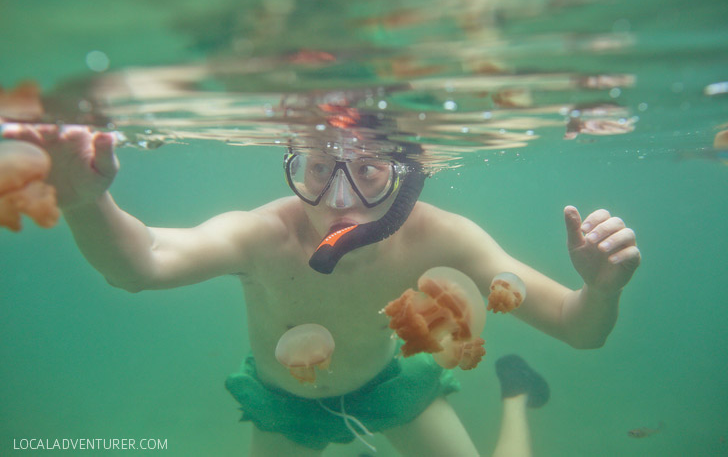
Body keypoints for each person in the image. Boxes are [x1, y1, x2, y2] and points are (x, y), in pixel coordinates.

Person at [1, 122, 640, 456]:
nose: (340, 203)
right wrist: (88, 202)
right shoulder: (262, 236)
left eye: (366, 171)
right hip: (286, 407)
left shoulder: (445, 239)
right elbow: (140, 263)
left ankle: (513, 399)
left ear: (406, 175)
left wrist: (601, 291)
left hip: (392, 391)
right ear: (293, 165)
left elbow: (578, 329)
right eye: (317, 170)